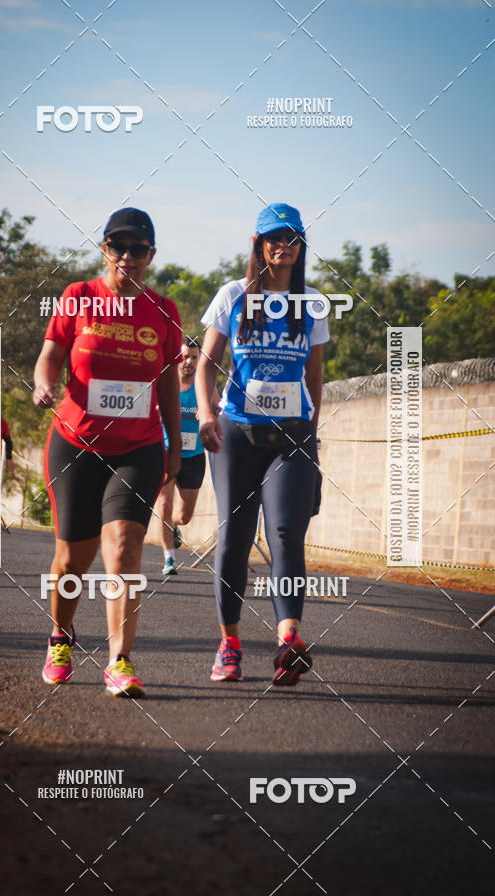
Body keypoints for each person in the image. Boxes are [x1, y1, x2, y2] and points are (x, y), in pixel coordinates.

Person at [33, 208, 182, 697]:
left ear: (151, 255)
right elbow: (51, 354)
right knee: (72, 561)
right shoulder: (78, 297)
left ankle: (119, 661)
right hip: (76, 443)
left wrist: (175, 449)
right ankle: (61, 636)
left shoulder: (163, 311)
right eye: (118, 246)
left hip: (138, 448)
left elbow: (167, 387)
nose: (127, 256)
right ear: (104, 250)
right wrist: (44, 385)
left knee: (124, 548)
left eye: (137, 248)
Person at [195, 203, 328, 686]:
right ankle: (229, 644)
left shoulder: (310, 302)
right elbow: (206, 363)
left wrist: (315, 429)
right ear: (258, 244)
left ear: (300, 247)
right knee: (233, 538)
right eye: (273, 238)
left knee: (287, 535)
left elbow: (314, 375)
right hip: (238, 432)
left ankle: (287, 641)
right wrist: (206, 414)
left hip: (291, 435)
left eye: (291, 238)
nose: (282, 246)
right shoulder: (233, 295)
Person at [157, 337, 218, 576]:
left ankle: (172, 526)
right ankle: (169, 559)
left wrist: (206, 415)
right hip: (166, 450)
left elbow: (218, 410)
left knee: (183, 515)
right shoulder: (164, 382)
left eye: (194, 357)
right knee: (164, 503)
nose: (188, 362)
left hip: (193, 455)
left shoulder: (204, 387)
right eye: (184, 356)